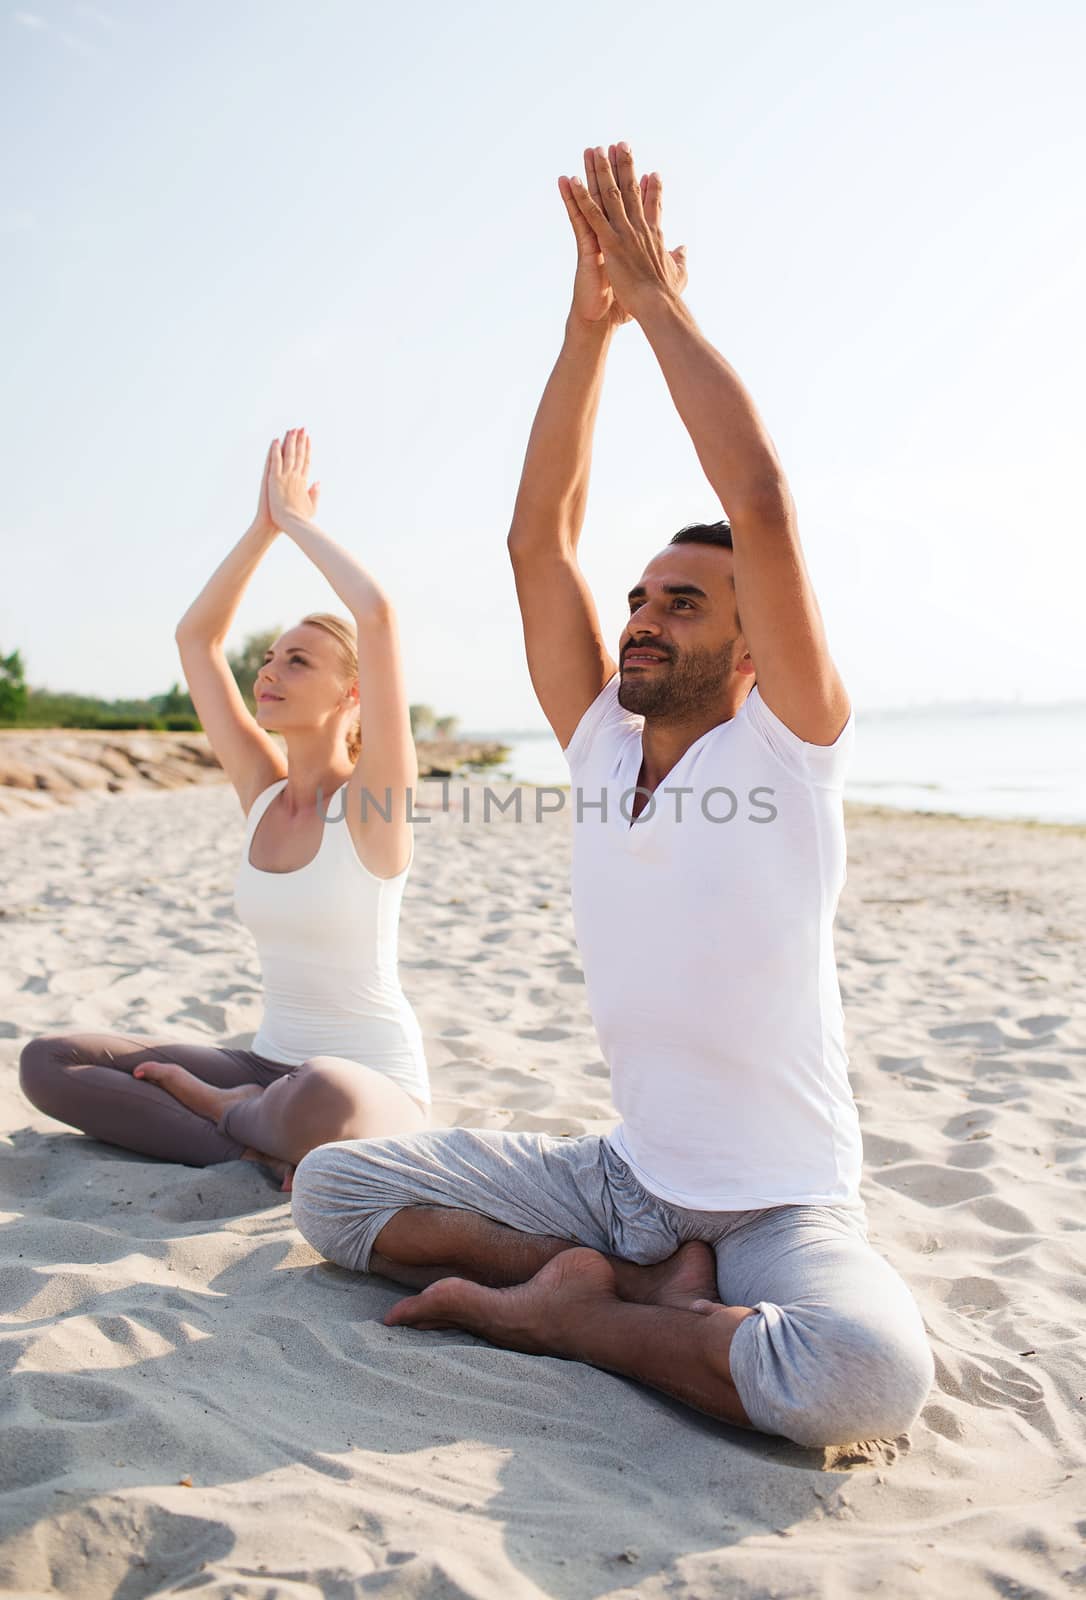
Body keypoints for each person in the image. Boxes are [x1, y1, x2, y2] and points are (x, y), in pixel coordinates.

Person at [291, 141, 935, 1449]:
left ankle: (569, 1318)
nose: (639, 620)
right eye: (638, 598)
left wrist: (656, 307)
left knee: (865, 1377)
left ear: (754, 647)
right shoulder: (593, 742)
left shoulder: (787, 749)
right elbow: (539, 538)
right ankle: (642, 1292)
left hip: (777, 1210)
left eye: (678, 605)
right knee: (334, 1191)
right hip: (622, 1184)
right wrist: (582, 330)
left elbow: (759, 501)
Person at [19, 428, 431, 1192]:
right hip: (264, 1061)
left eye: (296, 661)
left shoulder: (374, 804)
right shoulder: (264, 792)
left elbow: (376, 615)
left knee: (322, 1094)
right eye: (269, 658)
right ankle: (249, 1141)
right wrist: (262, 529)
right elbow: (196, 637)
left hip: (366, 1082)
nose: (268, 672)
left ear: (353, 695)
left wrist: (300, 521)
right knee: (48, 1060)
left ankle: (237, 1117)